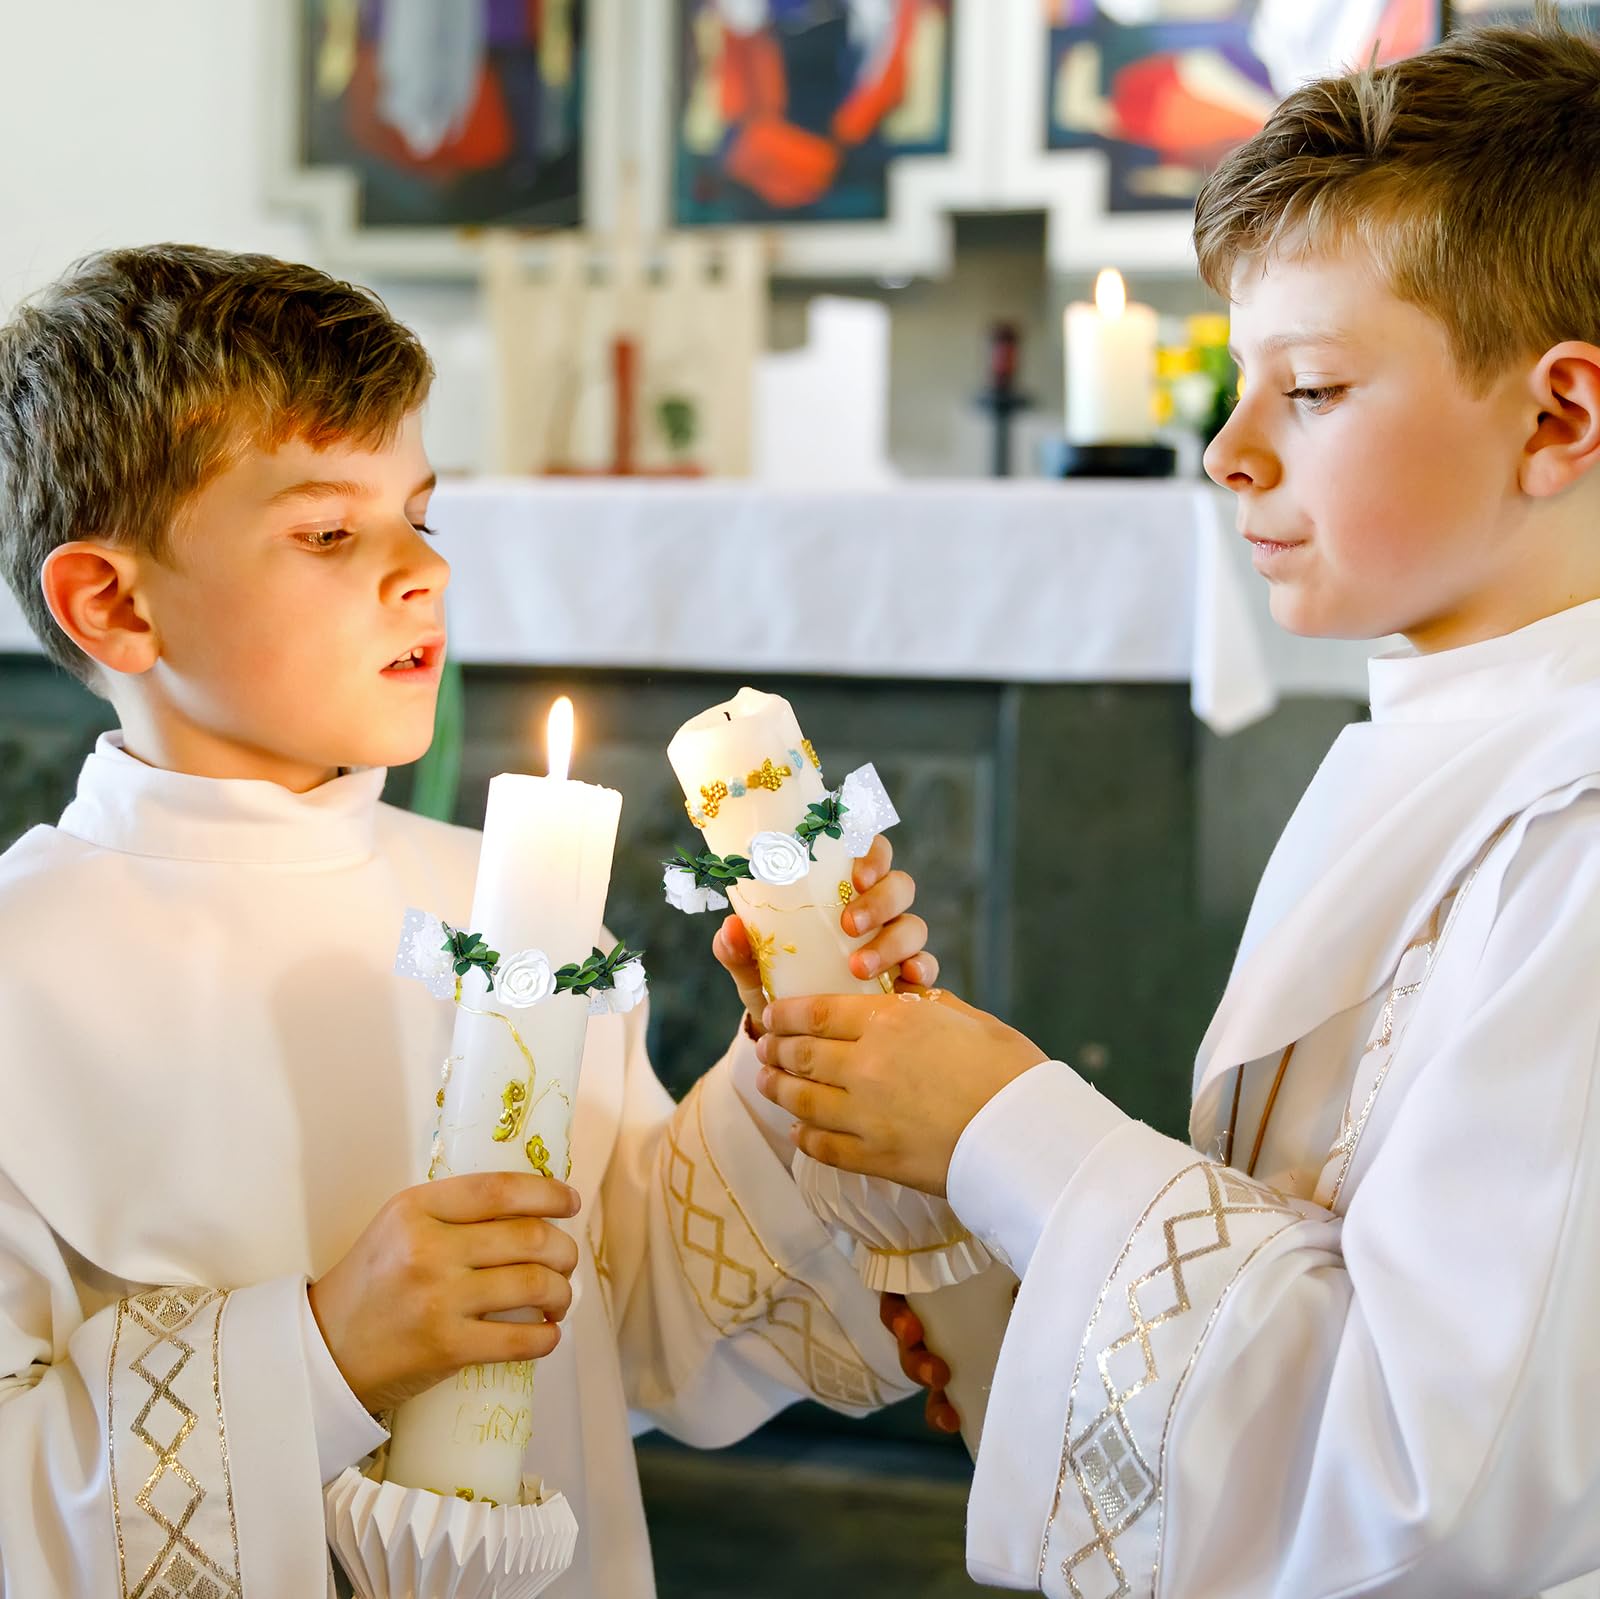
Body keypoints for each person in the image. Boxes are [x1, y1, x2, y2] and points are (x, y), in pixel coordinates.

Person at [759, 13, 1600, 1595]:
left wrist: (1011, 1130)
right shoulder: (1451, 742)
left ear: (1559, 416)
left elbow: (1441, 1489)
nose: (1227, 452)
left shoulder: (1577, 839)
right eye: (1237, 383)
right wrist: (1026, 1303)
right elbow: (1335, 1247)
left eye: (1318, 389)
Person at [0, 242, 941, 1596]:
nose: (419, 573)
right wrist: (328, 1351)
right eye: (330, 532)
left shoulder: (499, 904)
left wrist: (801, 1068)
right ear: (116, 603)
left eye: (422, 517)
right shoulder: (27, 976)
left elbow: (638, 1318)